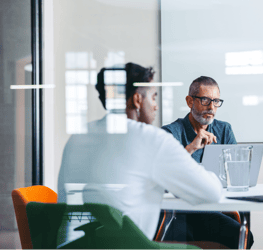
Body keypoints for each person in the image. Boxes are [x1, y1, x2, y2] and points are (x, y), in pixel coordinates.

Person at [57, 63, 222, 243]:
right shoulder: (151, 139)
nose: (156, 106)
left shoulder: (78, 136)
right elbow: (211, 193)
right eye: (153, 97)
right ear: (137, 100)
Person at [161, 76, 253, 249]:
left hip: (215, 208)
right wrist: (191, 148)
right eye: (205, 100)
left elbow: (237, 175)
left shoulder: (224, 129)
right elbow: (163, 176)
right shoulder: (170, 133)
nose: (211, 107)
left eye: (216, 101)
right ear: (190, 101)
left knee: (244, 236)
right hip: (180, 212)